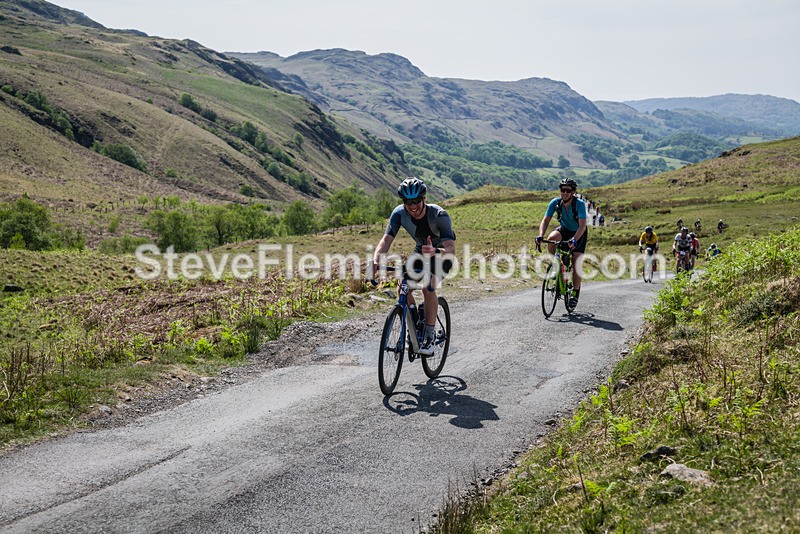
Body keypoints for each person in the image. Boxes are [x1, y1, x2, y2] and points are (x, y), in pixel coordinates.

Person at [373, 178, 456, 355]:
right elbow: (385, 241)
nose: (413, 206)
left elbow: (451, 249)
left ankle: (429, 335)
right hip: (421, 252)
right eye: (408, 202)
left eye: (417, 201)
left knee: (428, 286)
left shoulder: (439, 215)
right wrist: (375, 261)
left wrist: (435, 250)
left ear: (424, 199)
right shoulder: (399, 214)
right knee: (403, 286)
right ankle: (415, 321)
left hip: (440, 254)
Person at [535, 177, 588, 309]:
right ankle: (556, 264)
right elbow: (545, 221)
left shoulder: (579, 204)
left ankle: (575, 293)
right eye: (562, 189)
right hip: (564, 230)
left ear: (573, 192)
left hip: (578, 233)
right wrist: (541, 235)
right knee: (551, 238)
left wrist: (574, 239)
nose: (564, 193)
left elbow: (582, 226)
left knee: (576, 260)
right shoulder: (555, 203)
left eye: (568, 190)